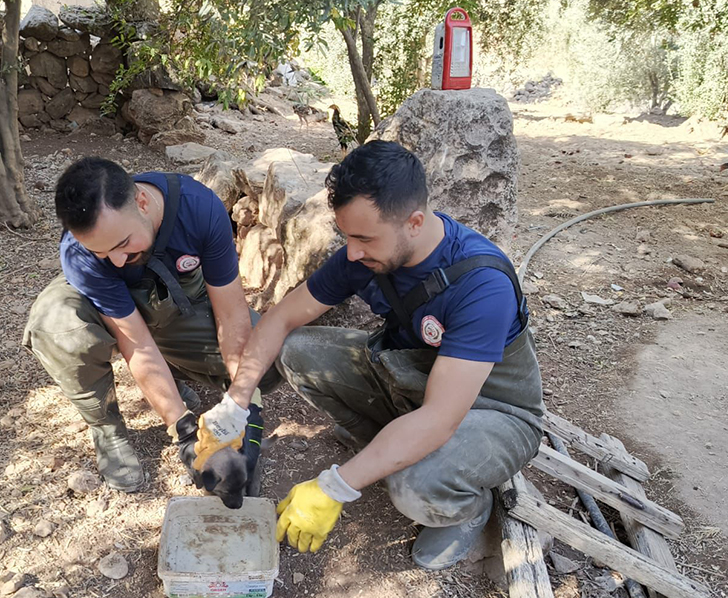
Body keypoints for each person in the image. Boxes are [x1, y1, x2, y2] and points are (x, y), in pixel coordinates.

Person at [196, 141, 544, 569]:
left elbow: (440, 417)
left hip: (492, 410)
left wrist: (334, 487)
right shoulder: (365, 255)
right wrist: (236, 401)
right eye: (347, 236)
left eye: (364, 237)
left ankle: (466, 511)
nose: (353, 251)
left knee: (413, 483)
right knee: (296, 350)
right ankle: (385, 448)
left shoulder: (481, 285)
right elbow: (281, 319)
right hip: (413, 382)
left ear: (414, 222)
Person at [23, 157, 279, 492]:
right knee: (58, 325)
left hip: (175, 300)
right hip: (116, 312)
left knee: (269, 359)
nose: (115, 260)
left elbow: (232, 317)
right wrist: (184, 432)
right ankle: (106, 428)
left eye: (121, 245)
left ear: (142, 202)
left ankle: (173, 370)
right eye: (101, 253)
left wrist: (244, 407)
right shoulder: (80, 254)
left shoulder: (199, 208)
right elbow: (136, 342)